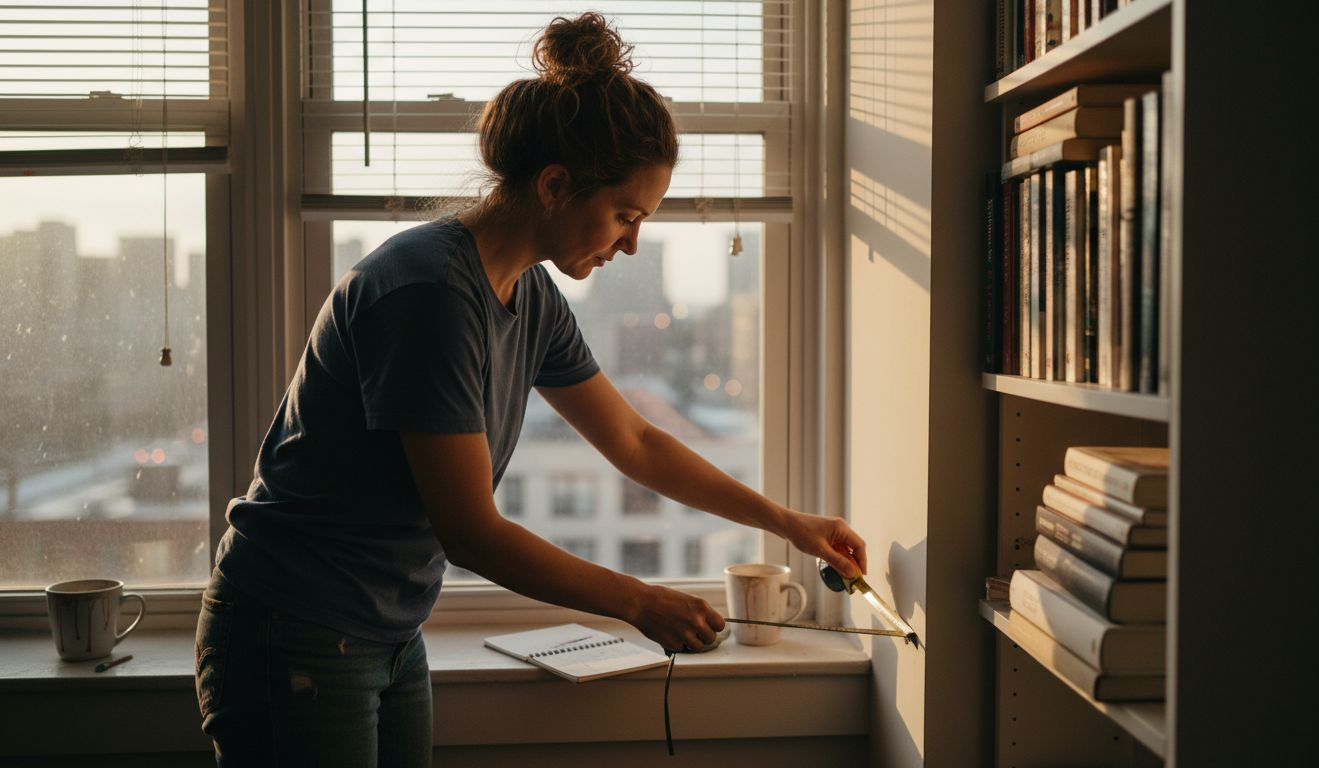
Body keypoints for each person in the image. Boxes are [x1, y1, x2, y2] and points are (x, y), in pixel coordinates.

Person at [194, 12, 867, 767]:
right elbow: (472, 532)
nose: (632, 242)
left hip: (382, 628)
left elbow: (636, 442)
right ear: (554, 186)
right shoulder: (429, 294)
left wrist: (787, 522)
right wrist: (641, 603)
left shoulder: (531, 296)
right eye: (624, 215)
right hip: (294, 625)